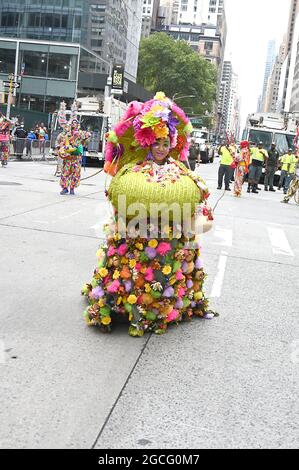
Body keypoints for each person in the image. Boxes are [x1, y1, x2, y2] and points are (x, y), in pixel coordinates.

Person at [82, 92, 217, 337]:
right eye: (157, 143)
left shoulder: (177, 169)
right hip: (137, 233)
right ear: (148, 143)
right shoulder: (134, 169)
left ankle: (164, 306)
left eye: (166, 144)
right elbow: (119, 192)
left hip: (167, 236)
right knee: (135, 270)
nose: (162, 149)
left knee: (165, 267)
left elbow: (196, 192)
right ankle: (126, 302)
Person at [58, 120, 84, 195]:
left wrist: (84, 138)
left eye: (75, 123)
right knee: (65, 172)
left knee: (75, 173)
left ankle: (72, 188)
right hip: (68, 157)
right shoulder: (66, 134)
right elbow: (61, 141)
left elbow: (85, 140)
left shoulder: (80, 133)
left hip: (76, 158)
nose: (73, 124)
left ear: (78, 125)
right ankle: (65, 188)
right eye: (72, 123)